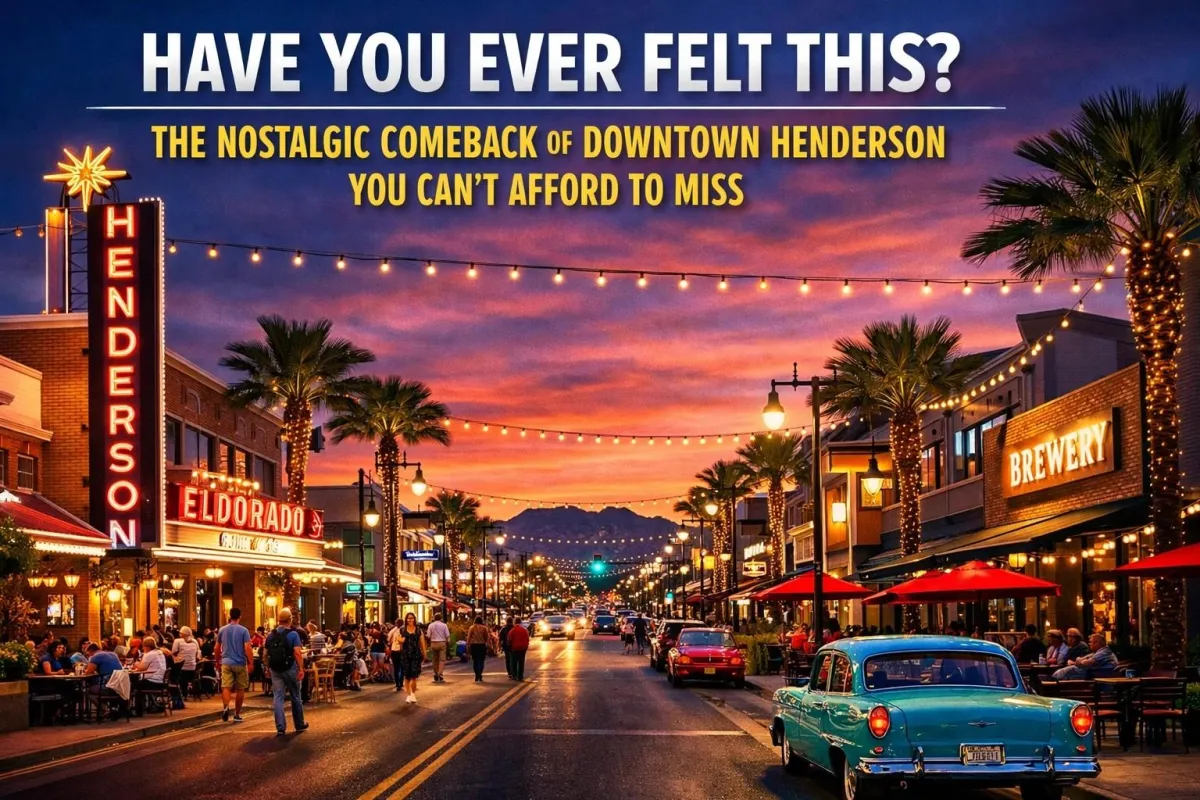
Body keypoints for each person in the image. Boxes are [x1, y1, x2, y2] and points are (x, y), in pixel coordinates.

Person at [265, 609, 308, 737]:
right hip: (290, 668)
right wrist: (301, 668)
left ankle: (280, 727)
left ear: (279, 620)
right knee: (295, 695)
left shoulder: (270, 635)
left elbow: (265, 654)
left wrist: (268, 668)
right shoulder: (293, 634)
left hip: (275, 669)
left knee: (278, 697)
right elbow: (297, 652)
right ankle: (299, 724)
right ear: (290, 620)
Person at [214, 607, 253, 723]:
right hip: (240, 663)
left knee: (226, 686)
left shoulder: (222, 630)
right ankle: (237, 714)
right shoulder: (244, 630)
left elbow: (217, 647)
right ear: (240, 616)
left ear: (229, 616)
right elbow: (247, 648)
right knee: (240, 688)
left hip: (226, 662)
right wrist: (251, 662)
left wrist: (217, 661)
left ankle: (226, 707)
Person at [1051, 633, 1119, 680]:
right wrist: (1080, 660)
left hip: (1094, 676)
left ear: (1097, 643)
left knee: (1061, 674)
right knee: (1061, 672)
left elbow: (1086, 663)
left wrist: (1078, 660)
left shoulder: (1104, 652)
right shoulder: (1100, 652)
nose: (1089, 644)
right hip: (1089, 674)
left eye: (1090, 642)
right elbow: (1086, 659)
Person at [394, 613, 427, 703]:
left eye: (412, 618)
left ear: (414, 619)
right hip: (405, 655)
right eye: (408, 618)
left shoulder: (418, 630)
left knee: (414, 676)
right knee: (407, 676)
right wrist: (400, 642)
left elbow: (422, 643)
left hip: (416, 655)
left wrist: (425, 654)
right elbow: (399, 642)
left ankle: (413, 694)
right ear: (406, 619)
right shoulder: (402, 630)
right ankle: (409, 695)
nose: (410, 620)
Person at [171, 626, 200, 700]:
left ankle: (180, 693)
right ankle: (189, 692)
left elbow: (173, 652)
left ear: (182, 633)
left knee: (173, 674)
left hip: (181, 668)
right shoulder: (195, 642)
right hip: (193, 669)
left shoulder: (177, 641)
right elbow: (198, 655)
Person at [427, 613, 450, 683]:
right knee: (442, 659)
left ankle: (435, 673)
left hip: (433, 643)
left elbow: (428, 635)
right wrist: (448, 642)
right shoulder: (444, 625)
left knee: (434, 659)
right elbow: (447, 635)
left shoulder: (431, 625)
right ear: (441, 618)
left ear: (434, 618)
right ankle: (440, 674)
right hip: (442, 643)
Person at [466, 616, 490, 682]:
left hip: (474, 645)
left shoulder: (472, 628)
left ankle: (477, 674)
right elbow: (486, 638)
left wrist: (467, 645)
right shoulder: (484, 628)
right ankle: (480, 674)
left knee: (475, 661)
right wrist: (487, 645)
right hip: (482, 645)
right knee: (481, 661)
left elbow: (469, 637)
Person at [507, 616, 530, 681]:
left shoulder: (512, 630)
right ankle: (520, 676)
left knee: (514, 662)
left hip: (514, 648)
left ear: (514, 622)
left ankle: (514, 675)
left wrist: (509, 646)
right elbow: (527, 638)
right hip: (523, 648)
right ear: (520, 622)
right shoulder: (524, 630)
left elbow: (509, 639)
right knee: (521, 662)